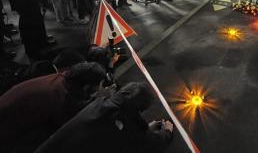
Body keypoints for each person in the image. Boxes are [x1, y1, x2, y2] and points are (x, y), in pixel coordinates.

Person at [35, 82, 174, 153]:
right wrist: (166, 132)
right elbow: (147, 143)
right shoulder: (124, 122)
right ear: (140, 108)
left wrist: (144, 129)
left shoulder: (100, 103)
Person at [0, 62, 107, 153]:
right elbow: (71, 123)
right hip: (6, 131)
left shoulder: (62, 78)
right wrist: (97, 100)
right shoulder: (58, 95)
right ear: (86, 87)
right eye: (96, 89)